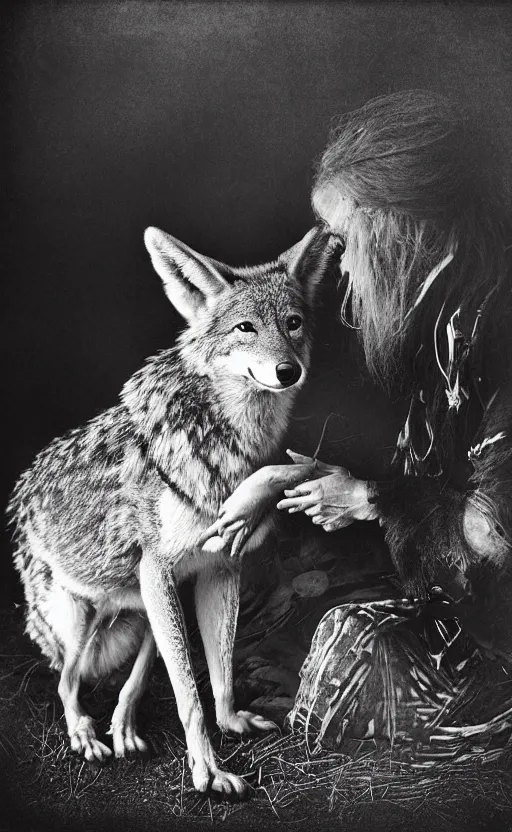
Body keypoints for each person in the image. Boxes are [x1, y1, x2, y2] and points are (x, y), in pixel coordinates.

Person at [203, 90, 512, 754]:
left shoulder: (496, 326)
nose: (341, 269)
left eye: (345, 242)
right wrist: (307, 479)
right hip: (459, 597)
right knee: (283, 580)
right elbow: (430, 487)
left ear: (399, 227)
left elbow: (493, 535)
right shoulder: (445, 323)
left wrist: (366, 499)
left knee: (345, 650)